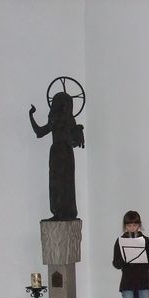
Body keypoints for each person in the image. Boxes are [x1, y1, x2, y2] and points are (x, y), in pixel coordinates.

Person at [29, 92, 84, 221]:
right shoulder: (55, 121)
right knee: (56, 184)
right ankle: (58, 212)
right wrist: (31, 115)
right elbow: (40, 132)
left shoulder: (68, 121)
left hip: (63, 153)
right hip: (57, 154)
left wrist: (78, 130)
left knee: (64, 183)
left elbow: (73, 142)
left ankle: (66, 212)